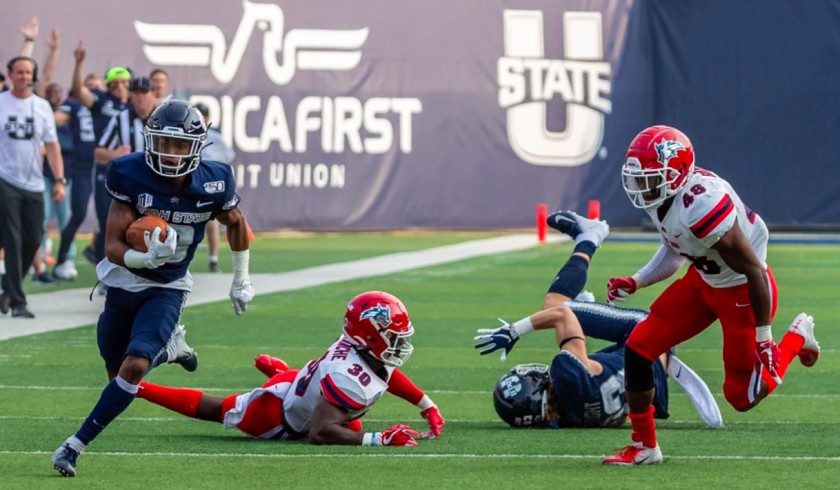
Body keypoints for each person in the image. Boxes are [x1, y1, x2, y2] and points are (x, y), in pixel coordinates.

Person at [51, 99, 256, 477]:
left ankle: (73, 445)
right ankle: (171, 349)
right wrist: (143, 258)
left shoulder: (215, 178)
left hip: (168, 286)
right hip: (123, 282)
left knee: (133, 367)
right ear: (149, 140)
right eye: (163, 143)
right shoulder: (128, 172)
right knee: (117, 374)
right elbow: (112, 245)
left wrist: (241, 277)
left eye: (180, 146)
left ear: (196, 146)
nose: (171, 153)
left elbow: (236, 222)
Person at [599, 125, 820, 465]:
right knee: (639, 348)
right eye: (638, 177)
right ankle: (645, 446)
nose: (642, 186)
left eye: (649, 177)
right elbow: (676, 247)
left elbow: (754, 271)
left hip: (743, 291)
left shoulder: (700, 206)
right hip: (704, 281)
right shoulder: (668, 198)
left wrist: (765, 339)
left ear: (674, 174)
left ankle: (796, 338)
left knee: (741, 397)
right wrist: (638, 280)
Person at [474, 210, 723, 430]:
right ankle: (590, 237)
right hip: (644, 333)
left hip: (651, 376)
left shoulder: (569, 419)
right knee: (556, 305)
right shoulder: (567, 378)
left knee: (593, 360)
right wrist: (514, 330)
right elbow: (563, 316)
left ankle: (589, 306)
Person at [136, 291, 445, 446]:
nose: (399, 342)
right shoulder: (347, 375)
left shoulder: (361, 347)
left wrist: (425, 405)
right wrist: (380, 440)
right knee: (220, 409)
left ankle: (281, 371)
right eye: (392, 335)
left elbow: (385, 375)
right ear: (369, 335)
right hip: (276, 414)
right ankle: (139, 388)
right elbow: (318, 432)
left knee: (350, 422)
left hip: (305, 381)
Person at [0, 55, 66, 318]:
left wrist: (59, 179)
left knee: (33, 238)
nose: (24, 77)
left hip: (35, 182)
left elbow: (52, 145)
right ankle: (18, 302)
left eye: (28, 72)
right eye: (19, 72)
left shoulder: (41, 107)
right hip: (5, 179)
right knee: (13, 239)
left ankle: (8, 287)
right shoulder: (2, 103)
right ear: (9, 74)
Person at [68, 42, 130, 266]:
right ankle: (106, 269)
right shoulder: (102, 101)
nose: (121, 86)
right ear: (110, 84)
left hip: (131, 169)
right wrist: (79, 63)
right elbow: (79, 91)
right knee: (106, 221)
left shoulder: (134, 105)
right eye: (116, 82)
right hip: (105, 166)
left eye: (125, 82)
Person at [195, 102, 235, 272]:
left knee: (211, 222)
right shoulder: (188, 134)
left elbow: (227, 158)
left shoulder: (215, 136)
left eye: (203, 116)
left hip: (208, 183)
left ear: (208, 118)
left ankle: (213, 259)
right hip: (190, 181)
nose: (201, 120)